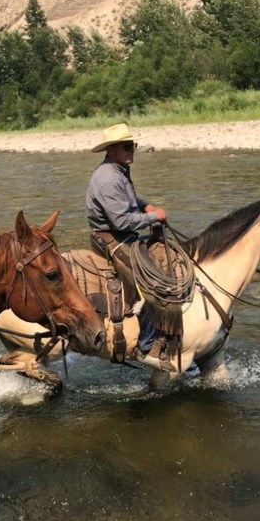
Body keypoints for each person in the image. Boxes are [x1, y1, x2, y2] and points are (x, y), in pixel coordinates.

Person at [85, 123, 171, 358]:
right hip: (113, 237)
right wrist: (154, 216)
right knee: (155, 281)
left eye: (132, 145)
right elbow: (122, 221)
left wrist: (145, 206)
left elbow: (127, 199)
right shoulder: (108, 178)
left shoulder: (119, 169)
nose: (131, 150)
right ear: (110, 150)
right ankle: (148, 345)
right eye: (125, 146)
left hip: (121, 234)